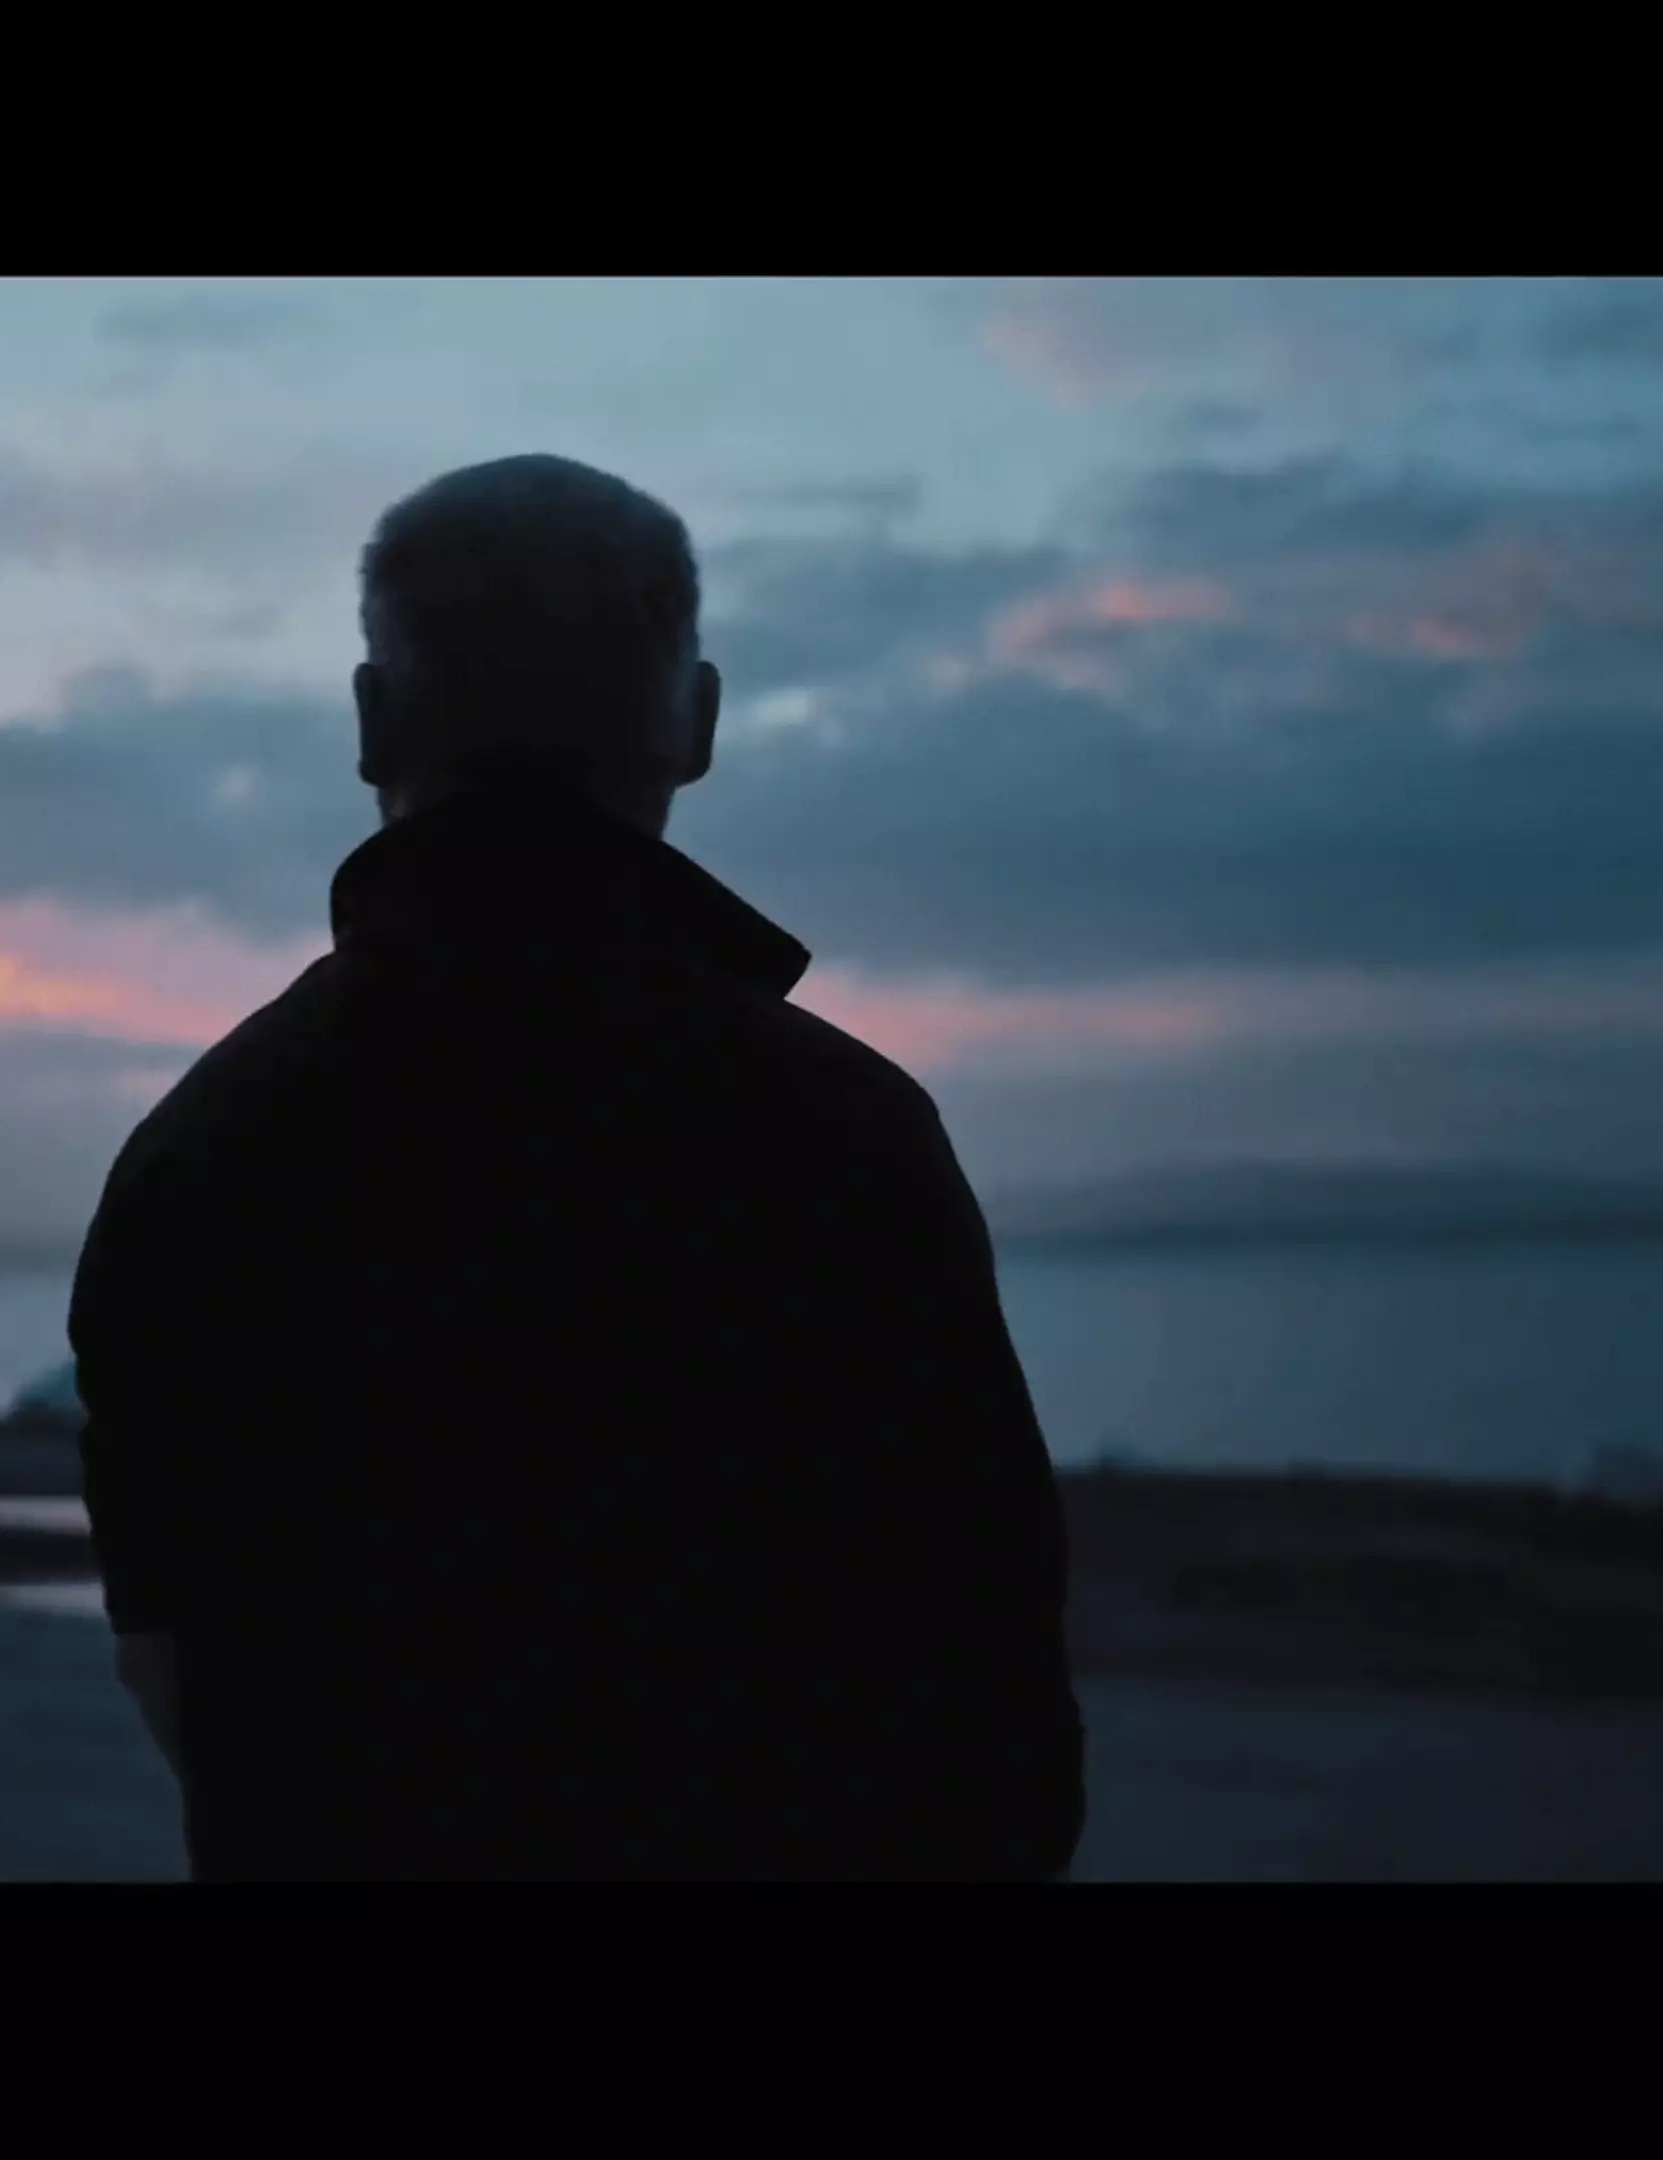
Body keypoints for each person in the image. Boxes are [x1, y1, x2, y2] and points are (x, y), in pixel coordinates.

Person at [67, 454, 1086, 1880]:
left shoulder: (199, 1153)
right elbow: (995, 1722)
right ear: (701, 722)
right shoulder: (846, 1135)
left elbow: (181, 1677)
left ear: (371, 722)